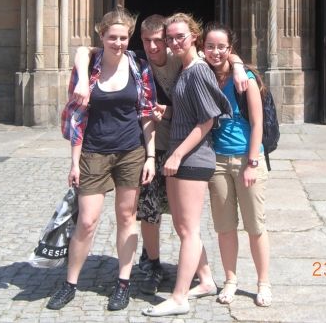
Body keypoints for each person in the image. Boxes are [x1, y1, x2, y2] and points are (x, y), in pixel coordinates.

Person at [71, 15, 249, 297]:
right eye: (147, 40)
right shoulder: (137, 60)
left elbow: (218, 53)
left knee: (184, 221)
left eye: (159, 40)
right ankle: (152, 264)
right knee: (150, 212)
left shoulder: (181, 58)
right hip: (152, 146)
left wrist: (238, 66)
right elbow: (85, 50)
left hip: (182, 148)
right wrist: (82, 78)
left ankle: (203, 277)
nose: (153, 46)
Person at [50, 7, 157, 312]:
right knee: (86, 221)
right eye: (113, 37)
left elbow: (147, 114)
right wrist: (74, 162)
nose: (118, 43)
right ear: (102, 36)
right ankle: (70, 282)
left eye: (123, 37)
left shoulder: (139, 66)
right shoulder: (89, 67)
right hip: (94, 151)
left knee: (126, 217)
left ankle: (123, 283)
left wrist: (150, 156)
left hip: (131, 151)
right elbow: (77, 118)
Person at [142, 13, 231, 318]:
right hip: (182, 156)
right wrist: (166, 111)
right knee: (183, 227)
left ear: (194, 36)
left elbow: (207, 120)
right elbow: (190, 112)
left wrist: (177, 155)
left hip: (193, 158)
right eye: (170, 38)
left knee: (189, 230)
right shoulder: (185, 69)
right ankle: (205, 280)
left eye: (180, 36)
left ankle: (179, 297)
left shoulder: (198, 71)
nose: (174, 42)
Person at [202, 22, 272, 307]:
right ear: (203, 48)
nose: (216, 51)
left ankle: (263, 282)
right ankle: (230, 280)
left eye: (221, 47)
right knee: (225, 227)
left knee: (255, 226)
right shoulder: (205, 74)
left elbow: (258, 123)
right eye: (210, 46)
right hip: (217, 161)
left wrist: (252, 163)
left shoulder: (245, 78)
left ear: (230, 48)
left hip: (246, 158)